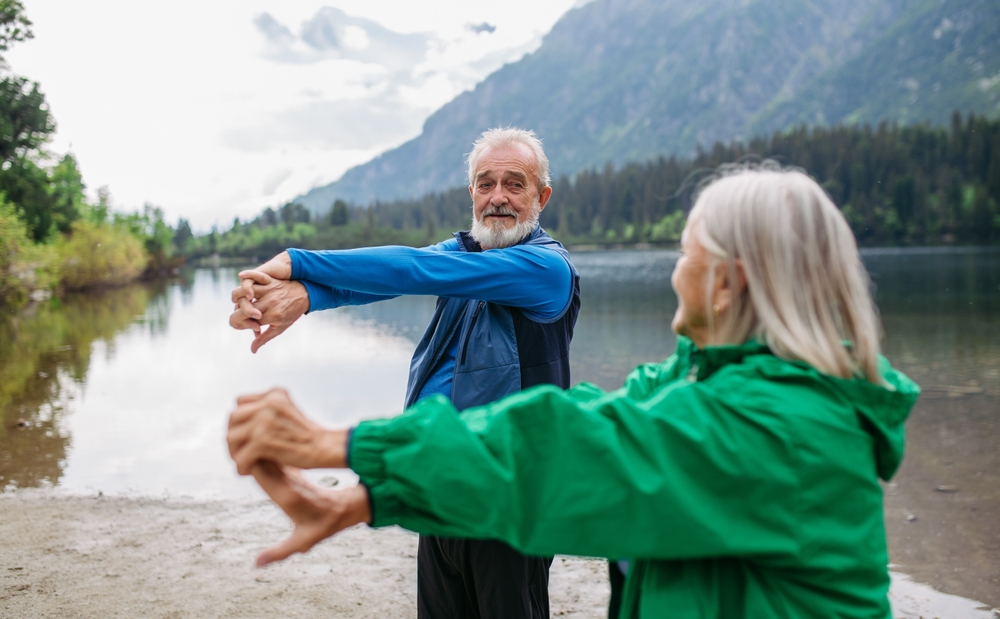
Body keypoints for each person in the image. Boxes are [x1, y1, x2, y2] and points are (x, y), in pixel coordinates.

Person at [228, 166, 921, 618]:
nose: (673, 273)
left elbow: (575, 449)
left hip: (493, 498)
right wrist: (374, 495)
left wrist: (338, 443)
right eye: (483, 182)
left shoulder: (786, 428)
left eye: (685, 253)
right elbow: (589, 415)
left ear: (727, 282)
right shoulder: (695, 381)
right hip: (462, 493)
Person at [229, 127, 581, 619]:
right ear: (472, 194)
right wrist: (304, 298)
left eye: (514, 184)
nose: (497, 197)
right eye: (485, 183)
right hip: (438, 491)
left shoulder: (546, 269)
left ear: (541, 196)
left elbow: (413, 269)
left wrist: (296, 262)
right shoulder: (465, 254)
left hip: (508, 504)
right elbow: (382, 280)